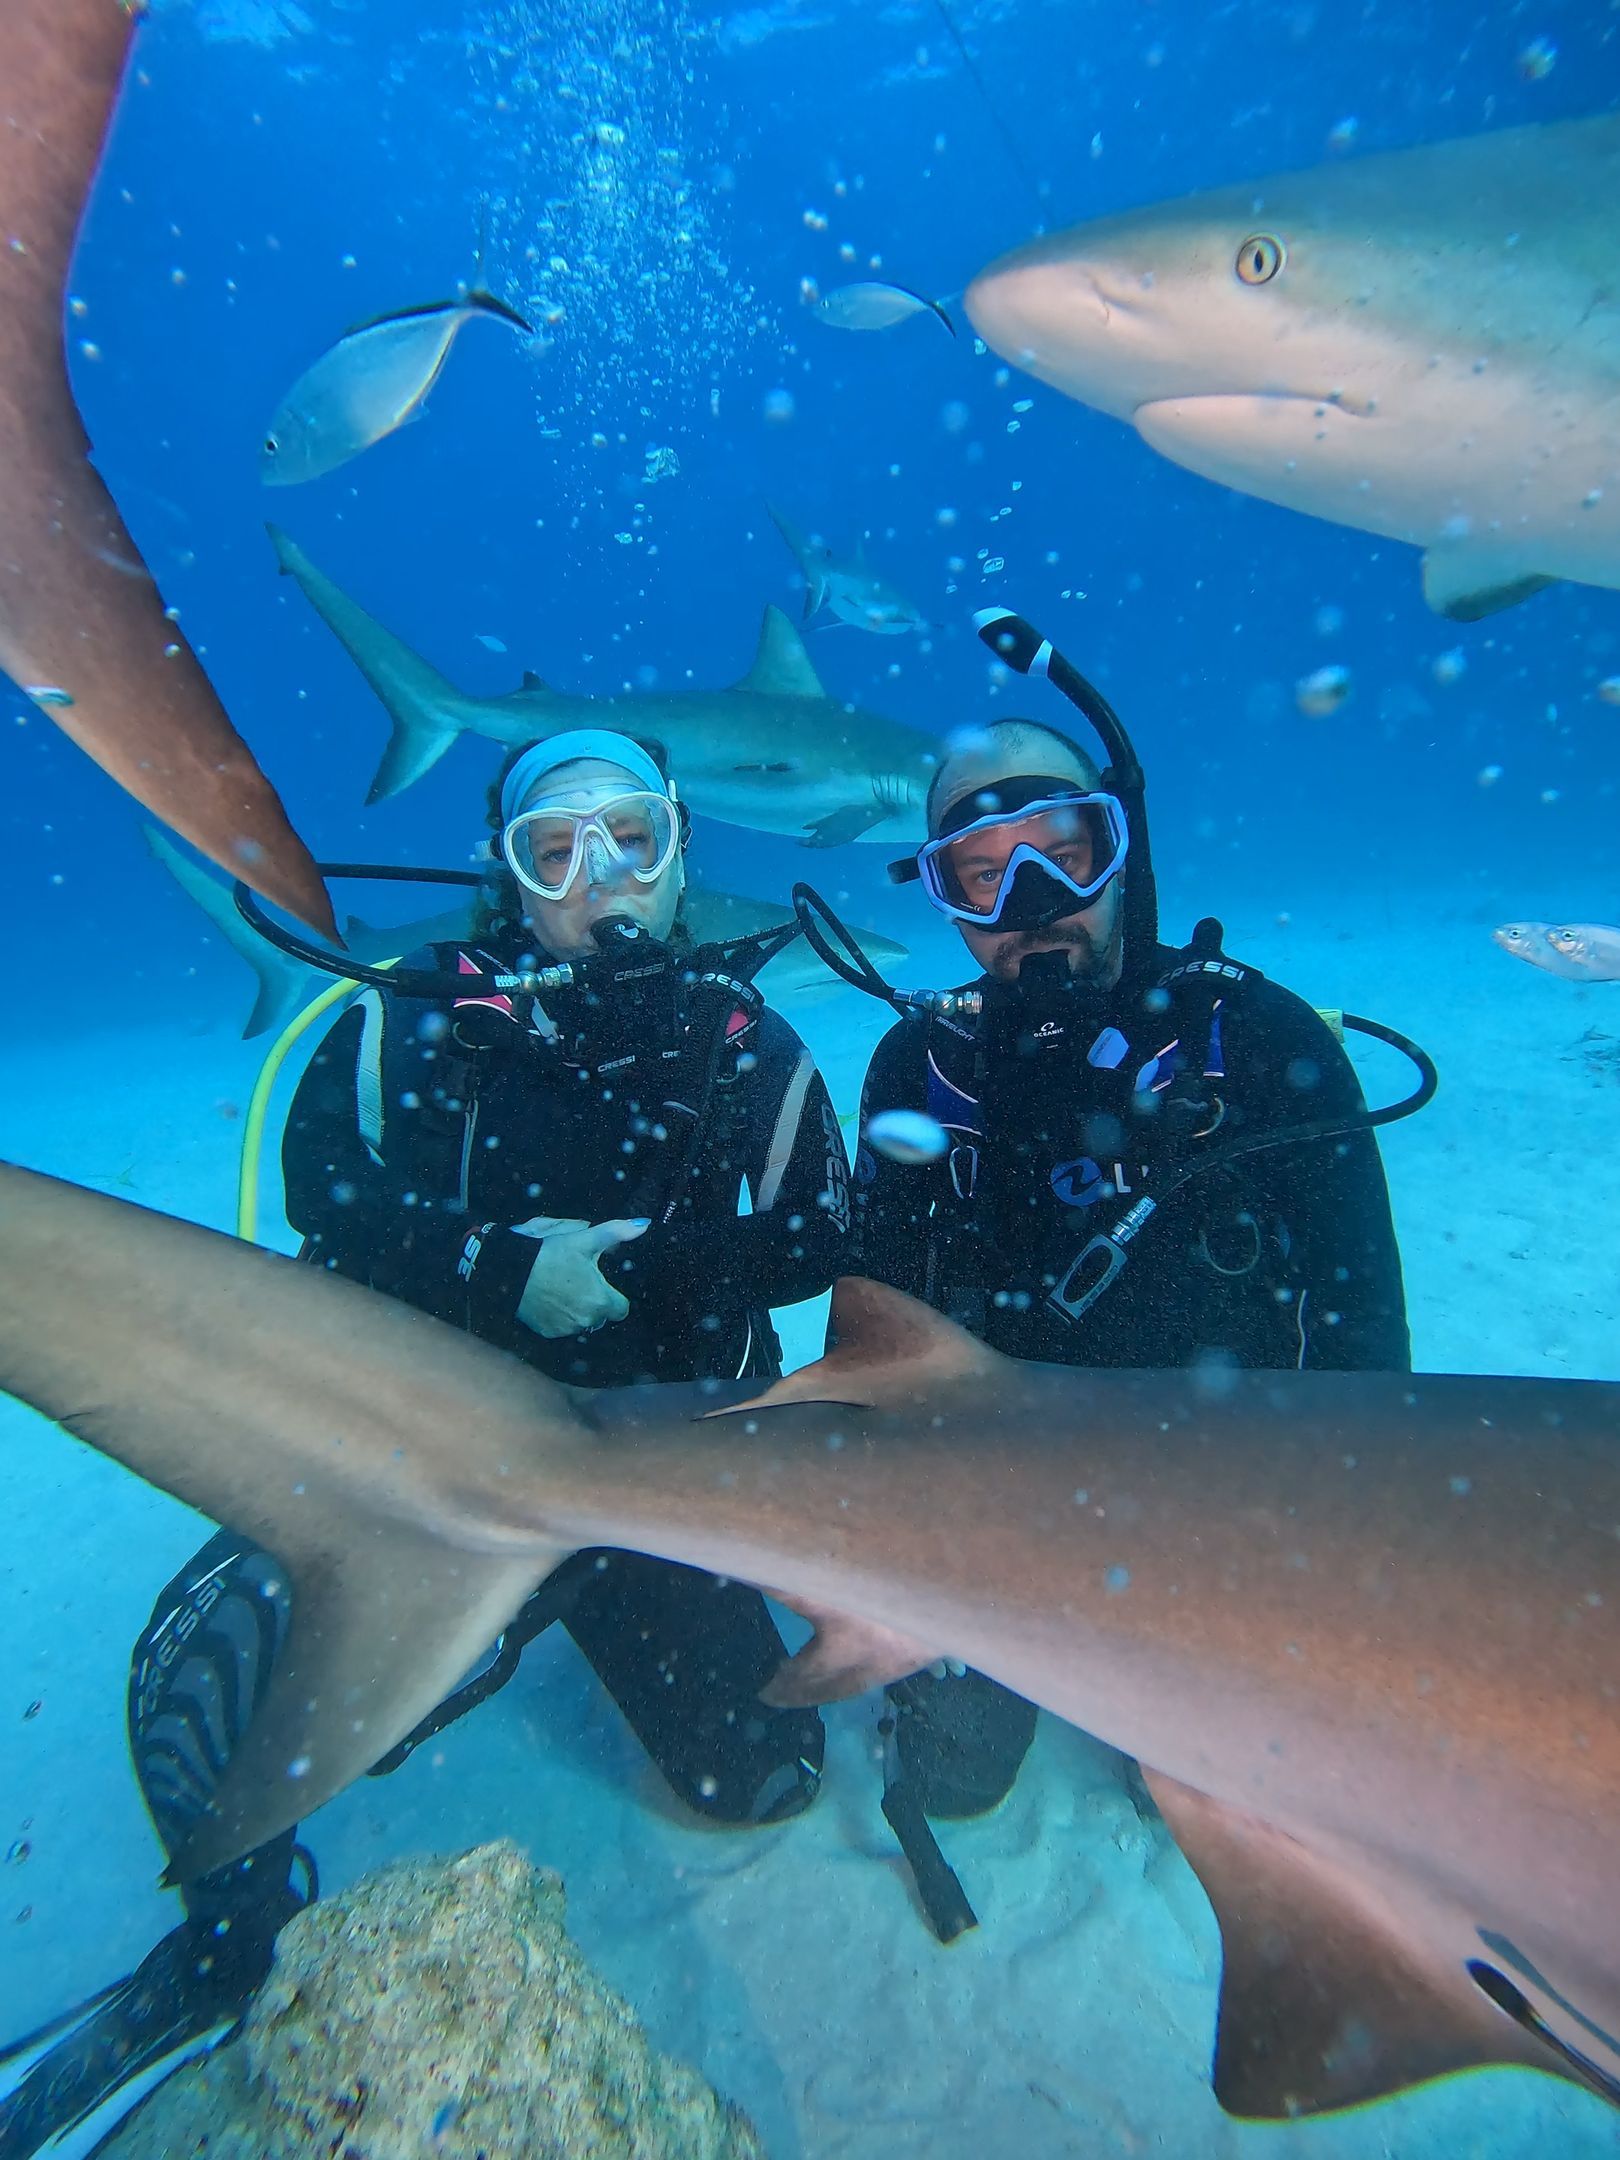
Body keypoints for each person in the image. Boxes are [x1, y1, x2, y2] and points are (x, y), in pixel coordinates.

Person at [0, 728, 850, 2154]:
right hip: (422, 1469)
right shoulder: (407, 1027)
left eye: (633, 838)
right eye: (556, 848)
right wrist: (499, 1267)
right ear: (507, 877)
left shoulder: (753, 1053)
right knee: (200, 1683)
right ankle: (228, 1943)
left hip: (654, 1481)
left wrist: (657, 1275)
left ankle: (560, 1610)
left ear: (685, 850)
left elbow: (822, 1235)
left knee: (760, 1780)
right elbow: (320, 1188)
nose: (602, 881)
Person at [851, 707, 1410, 1863]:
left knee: (1212, 1802)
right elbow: (874, 1348)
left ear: (1128, 849)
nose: (1030, 905)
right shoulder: (923, 1071)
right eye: (982, 877)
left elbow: (1366, 1339)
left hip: (1221, 1507)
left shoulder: (1258, 1042)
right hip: (989, 1501)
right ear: (944, 902)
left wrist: (1332, 1565)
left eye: (1066, 852)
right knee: (954, 1780)